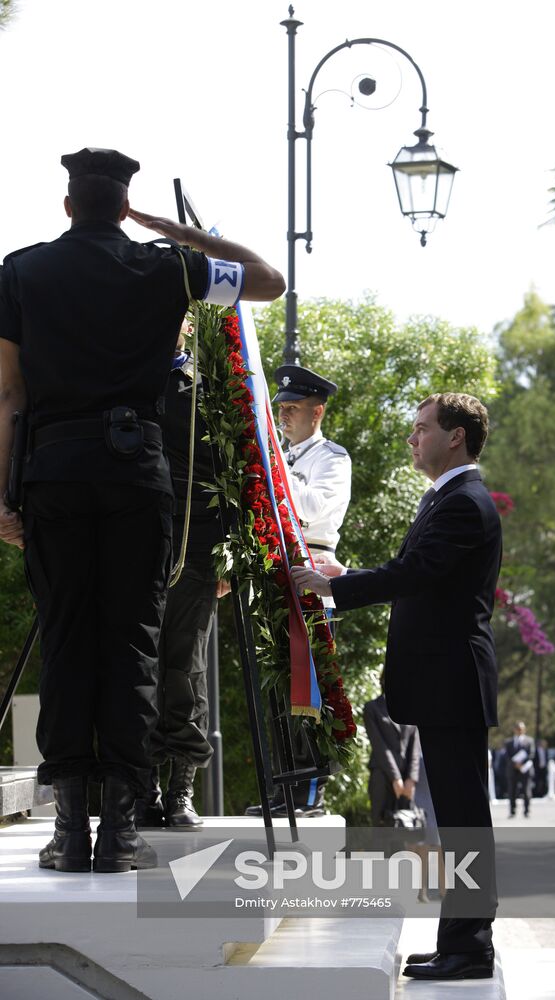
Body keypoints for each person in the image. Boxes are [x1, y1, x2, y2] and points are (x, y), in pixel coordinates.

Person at [0, 147, 284, 873]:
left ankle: (69, 831)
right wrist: (184, 237)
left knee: (67, 637)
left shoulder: (22, 269)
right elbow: (269, 282)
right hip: (136, 476)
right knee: (130, 643)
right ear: (126, 206)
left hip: (54, 475)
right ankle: (122, 830)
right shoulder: (168, 268)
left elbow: (9, 396)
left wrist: (4, 500)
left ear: (69, 205)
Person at [292, 391, 502, 982]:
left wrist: (338, 587)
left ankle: (472, 947)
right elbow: (419, 575)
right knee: (455, 818)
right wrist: (347, 574)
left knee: (461, 817)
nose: (412, 438)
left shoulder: (462, 502)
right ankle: (459, 940)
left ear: (455, 436)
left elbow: (415, 574)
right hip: (445, 682)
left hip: (454, 681)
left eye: (421, 428)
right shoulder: (447, 498)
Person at [245, 364, 351, 818]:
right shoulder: (283, 458)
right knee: (276, 687)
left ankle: (310, 793)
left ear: (317, 412)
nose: (284, 417)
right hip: (275, 573)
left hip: (311, 570)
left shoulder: (331, 457)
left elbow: (309, 507)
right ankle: (284, 788)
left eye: (292, 409)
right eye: (280, 409)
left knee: (307, 688)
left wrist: (271, 465)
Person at [136, 321, 231, 830]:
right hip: (139, 544)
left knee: (185, 669)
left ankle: (181, 788)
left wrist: (228, 555)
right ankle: (145, 784)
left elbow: (233, 473)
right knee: (140, 668)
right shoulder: (129, 374)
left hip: (196, 545)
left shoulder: (208, 384)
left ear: (188, 323)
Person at [363, 674, 420, 827]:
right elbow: (380, 747)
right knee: (381, 830)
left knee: (404, 831)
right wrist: (396, 779)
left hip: (406, 781)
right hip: (382, 776)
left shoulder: (411, 709)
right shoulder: (372, 708)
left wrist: (411, 780)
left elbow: (415, 748)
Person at [504, 721, 535, 817]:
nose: (519, 731)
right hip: (512, 770)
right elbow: (507, 756)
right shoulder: (508, 742)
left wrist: (522, 764)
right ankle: (512, 811)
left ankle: (526, 811)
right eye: (517, 729)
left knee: (526, 791)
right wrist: (515, 764)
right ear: (514, 730)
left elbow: (531, 754)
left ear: (524, 730)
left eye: (521, 729)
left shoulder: (529, 741)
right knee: (512, 791)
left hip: (525, 769)